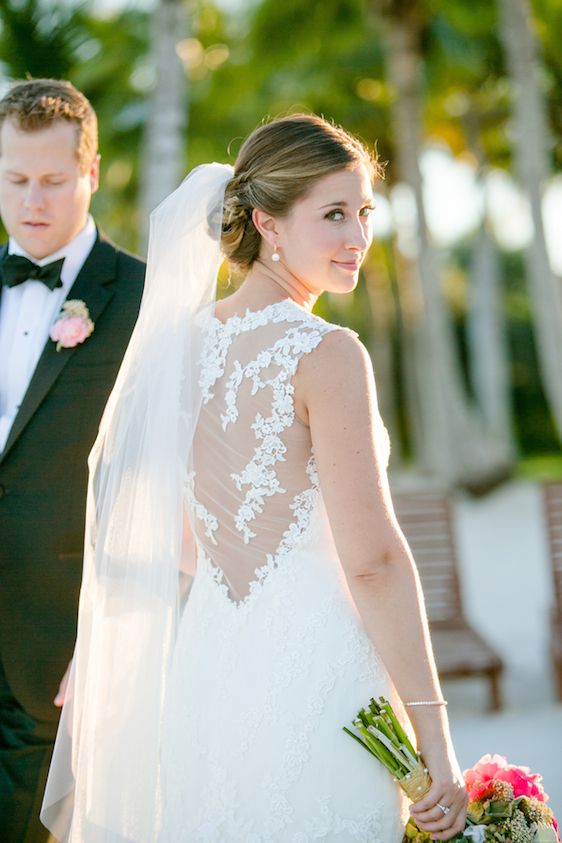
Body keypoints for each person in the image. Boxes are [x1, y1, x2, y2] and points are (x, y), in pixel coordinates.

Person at [42, 115, 467, 842]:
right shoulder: (329, 354)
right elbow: (374, 561)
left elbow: (176, 543)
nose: (357, 237)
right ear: (267, 222)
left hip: (210, 673)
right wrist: (438, 739)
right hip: (320, 678)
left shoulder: (181, 350)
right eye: (332, 214)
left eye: (363, 212)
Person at [0, 78, 145, 843]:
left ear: (91, 171)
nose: (33, 199)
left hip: (60, 643)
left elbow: (160, 487)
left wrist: (110, 634)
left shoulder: (144, 299)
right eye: (15, 179)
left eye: (53, 180)